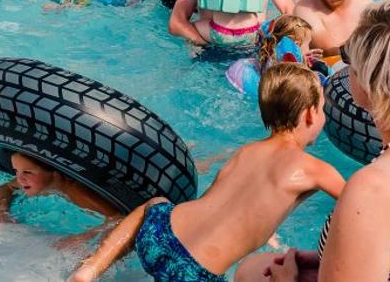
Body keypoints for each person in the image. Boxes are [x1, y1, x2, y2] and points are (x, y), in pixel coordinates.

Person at [69, 63, 344, 282]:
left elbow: (217, 201)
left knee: (155, 204)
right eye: (322, 109)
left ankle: (91, 269)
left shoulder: (246, 151)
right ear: (309, 114)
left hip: (158, 236)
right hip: (197, 274)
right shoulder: (315, 169)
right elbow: (358, 204)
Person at [237, 0, 390, 282]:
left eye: (348, 57)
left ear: (367, 84)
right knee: (253, 267)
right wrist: (330, 258)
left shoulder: (372, 190)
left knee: (250, 272)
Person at [0, 152, 121, 246]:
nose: (20, 179)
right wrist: (1, 209)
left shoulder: (76, 192)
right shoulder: (35, 182)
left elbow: (118, 218)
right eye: (16, 171)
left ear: (54, 172)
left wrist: (82, 237)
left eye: (27, 172)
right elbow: (6, 187)